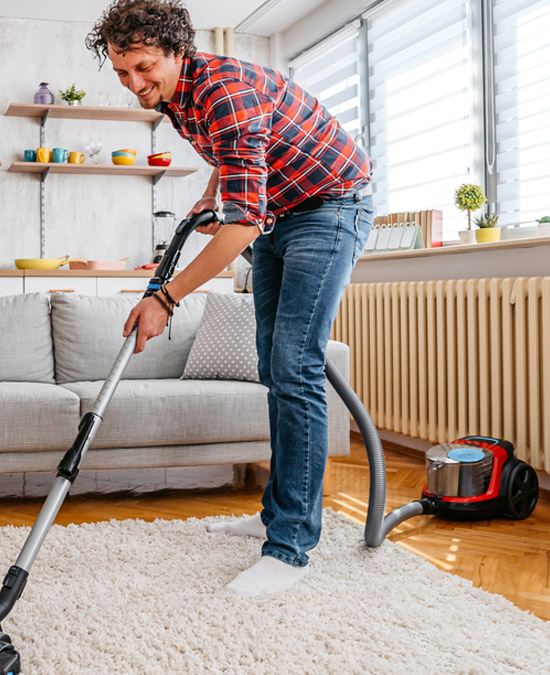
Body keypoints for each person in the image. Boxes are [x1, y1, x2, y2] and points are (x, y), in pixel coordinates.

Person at [87, 0, 374, 597]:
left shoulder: (224, 91)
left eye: (143, 68)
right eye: (122, 72)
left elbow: (243, 224)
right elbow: (237, 158)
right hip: (280, 214)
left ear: (176, 52)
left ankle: (291, 546)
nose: (134, 84)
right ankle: (277, 514)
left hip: (329, 208)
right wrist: (211, 196)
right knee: (277, 368)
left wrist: (165, 298)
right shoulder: (176, 98)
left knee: (295, 368)